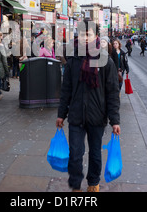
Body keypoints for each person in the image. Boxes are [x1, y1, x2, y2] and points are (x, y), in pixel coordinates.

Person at [56, 21, 120, 193]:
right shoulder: (73, 60)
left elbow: (112, 92)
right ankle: (75, 186)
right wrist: (61, 114)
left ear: (96, 36)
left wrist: (115, 120)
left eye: (88, 34)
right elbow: (66, 90)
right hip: (76, 115)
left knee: (95, 154)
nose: (85, 38)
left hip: (97, 115)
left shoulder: (105, 61)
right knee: (75, 155)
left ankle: (93, 183)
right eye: (82, 34)